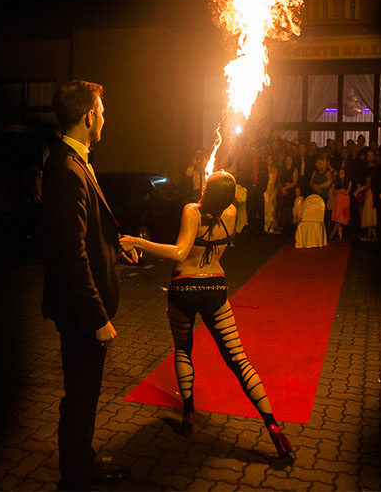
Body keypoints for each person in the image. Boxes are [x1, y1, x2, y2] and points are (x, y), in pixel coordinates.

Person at [119, 171, 294, 461]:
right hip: (215, 286)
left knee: (183, 350)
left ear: (206, 190)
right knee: (238, 359)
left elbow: (180, 252)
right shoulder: (232, 211)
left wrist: (137, 242)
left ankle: (188, 414)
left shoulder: (192, 211)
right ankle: (272, 424)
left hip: (184, 287)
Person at [39, 80, 135, 489]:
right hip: (80, 315)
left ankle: (82, 459)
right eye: (102, 110)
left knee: (85, 395)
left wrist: (116, 248)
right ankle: (74, 477)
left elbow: (87, 237)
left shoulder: (75, 160)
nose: (105, 117)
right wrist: (97, 317)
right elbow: (69, 252)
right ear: (89, 116)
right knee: (80, 398)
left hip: (82, 310)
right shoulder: (65, 168)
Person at [330, 168, 352, 241]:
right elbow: (334, 192)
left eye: (342, 173)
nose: (341, 175)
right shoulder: (337, 182)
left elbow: (347, 192)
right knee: (338, 219)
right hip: (338, 201)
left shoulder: (349, 182)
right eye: (340, 173)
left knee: (340, 219)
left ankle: (332, 234)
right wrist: (340, 191)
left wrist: (340, 191)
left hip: (344, 201)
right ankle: (340, 236)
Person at [356, 175, 378, 242]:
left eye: (369, 181)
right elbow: (359, 191)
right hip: (368, 205)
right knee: (370, 222)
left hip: (371, 206)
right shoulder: (366, 188)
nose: (368, 182)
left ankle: (373, 236)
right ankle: (370, 236)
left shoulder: (373, 189)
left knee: (371, 221)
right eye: (367, 181)